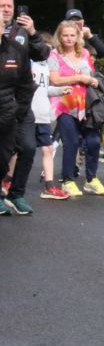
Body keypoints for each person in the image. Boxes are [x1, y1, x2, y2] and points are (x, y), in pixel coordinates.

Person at [0, 0, 50, 214]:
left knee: (28, 147)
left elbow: (42, 55)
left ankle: (17, 194)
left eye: (9, 5)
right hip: (3, 103)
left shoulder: (22, 32)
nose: (6, 10)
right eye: (2, 6)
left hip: (20, 102)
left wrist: (33, 32)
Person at [48, 20, 104, 197]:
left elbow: (90, 76)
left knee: (94, 141)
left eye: (72, 35)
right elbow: (55, 80)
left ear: (77, 37)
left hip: (86, 105)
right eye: (65, 35)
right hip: (65, 105)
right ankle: (68, 180)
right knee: (71, 142)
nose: (68, 38)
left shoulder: (84, 53)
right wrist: (79, 77)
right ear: (59, 37)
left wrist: (94, 81)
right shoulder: (54, 55)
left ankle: (91, 179)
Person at [0, 13, 34, 216]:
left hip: (8, 116)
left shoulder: (16, 50)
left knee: (3, 161)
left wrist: (17, 111)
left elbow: (25, 85)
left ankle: (14, 194)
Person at [31, 32, 72, 201]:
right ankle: (8, 181)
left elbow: (46, 89)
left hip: (43, 115)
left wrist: (61, 90)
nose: (46, 54)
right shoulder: (30, 65)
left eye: (49, 50)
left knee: (47, 149)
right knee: (18, 151)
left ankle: (49, 186)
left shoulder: (48, 69)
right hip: (27, 114)